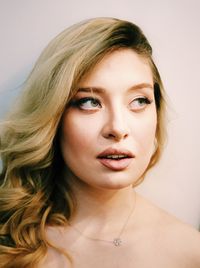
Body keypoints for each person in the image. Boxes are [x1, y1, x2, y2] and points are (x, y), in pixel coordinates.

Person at [0, 17, 200, 268]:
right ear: (54, 116)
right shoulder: (7, 238)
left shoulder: (190, 254)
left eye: (139, 100)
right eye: (89, 102)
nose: (117, 128)